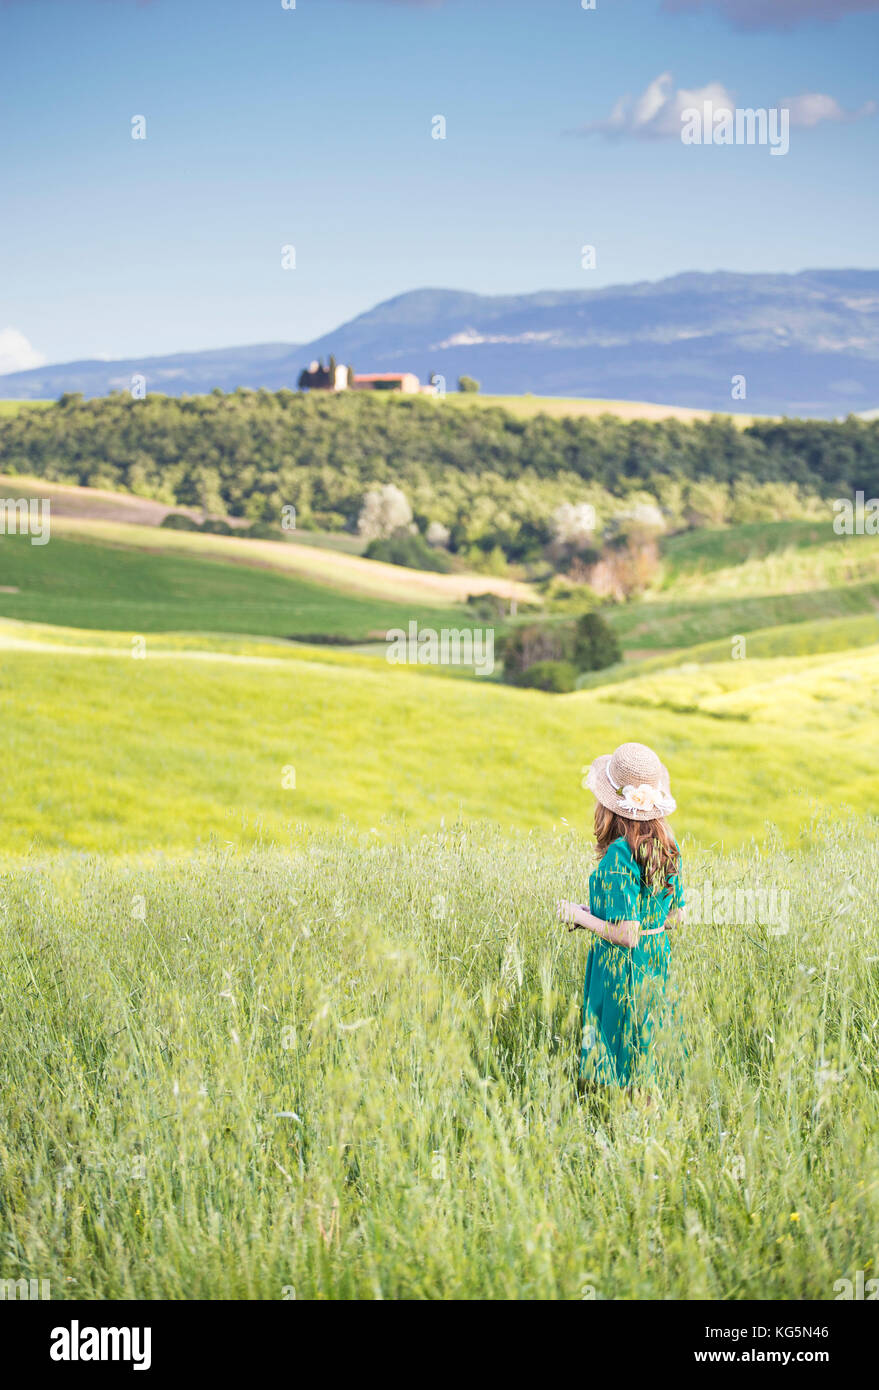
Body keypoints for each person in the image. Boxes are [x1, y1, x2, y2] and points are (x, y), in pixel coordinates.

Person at [557, 741, 684, 1098]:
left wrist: (579, 918)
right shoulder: (666, 844)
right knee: (647, 1056)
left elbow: (628, 935)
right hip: (657, 961)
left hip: (622, 968)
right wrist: (600, 913)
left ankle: (627, 1136)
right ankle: (649, 1134)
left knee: (623, 1062)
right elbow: (676, 915)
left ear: (608, 805)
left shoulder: (618, 853)